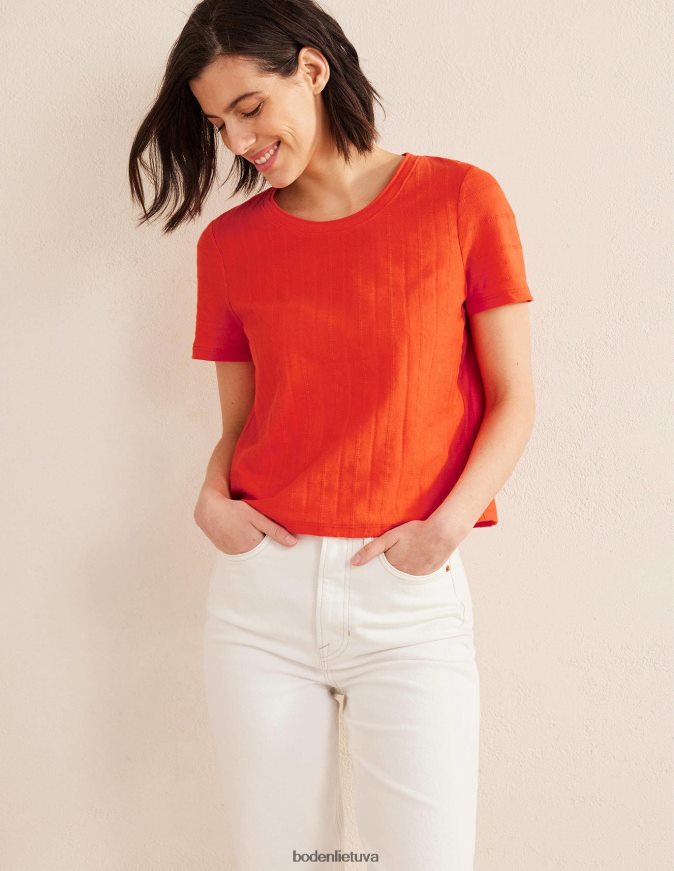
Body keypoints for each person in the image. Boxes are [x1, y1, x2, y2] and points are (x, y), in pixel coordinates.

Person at [128, 1, 535, 869]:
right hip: (261, 600)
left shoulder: (461, 199)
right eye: (218, 124)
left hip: (407, 596)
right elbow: (241, 425)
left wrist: (446, 528)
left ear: (311, 70)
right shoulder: (230, 245)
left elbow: (514, 399)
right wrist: (210, 496)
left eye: (249, 108)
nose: (239, 141)